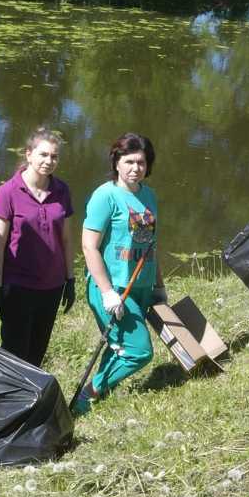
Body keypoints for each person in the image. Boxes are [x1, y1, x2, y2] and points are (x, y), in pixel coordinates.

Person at [72, 133, 164, 416]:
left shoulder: (148, 196)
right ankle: (89, 392)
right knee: (139, 351)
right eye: (129, 162)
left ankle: (94, 399)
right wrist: (107, 292)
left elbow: (150, 245)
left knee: (119, 346)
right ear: (116, 162)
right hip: (114, 289)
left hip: (141, 286)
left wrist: (158, 284)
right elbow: (89, 246)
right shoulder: (105, 196)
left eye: (141, 162)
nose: (136, 168)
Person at [0, 127, 75, 368]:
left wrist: (70, 279)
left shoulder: (61, 191)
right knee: (15, 355)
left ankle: (32, 403)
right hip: (18, 287)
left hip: (52, 286)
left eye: (54, 156)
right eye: (43, 155)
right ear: (28, 154)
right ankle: (8, 402)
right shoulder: (9, 192)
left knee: (37, 353)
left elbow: (66, 239)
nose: (49, 161)